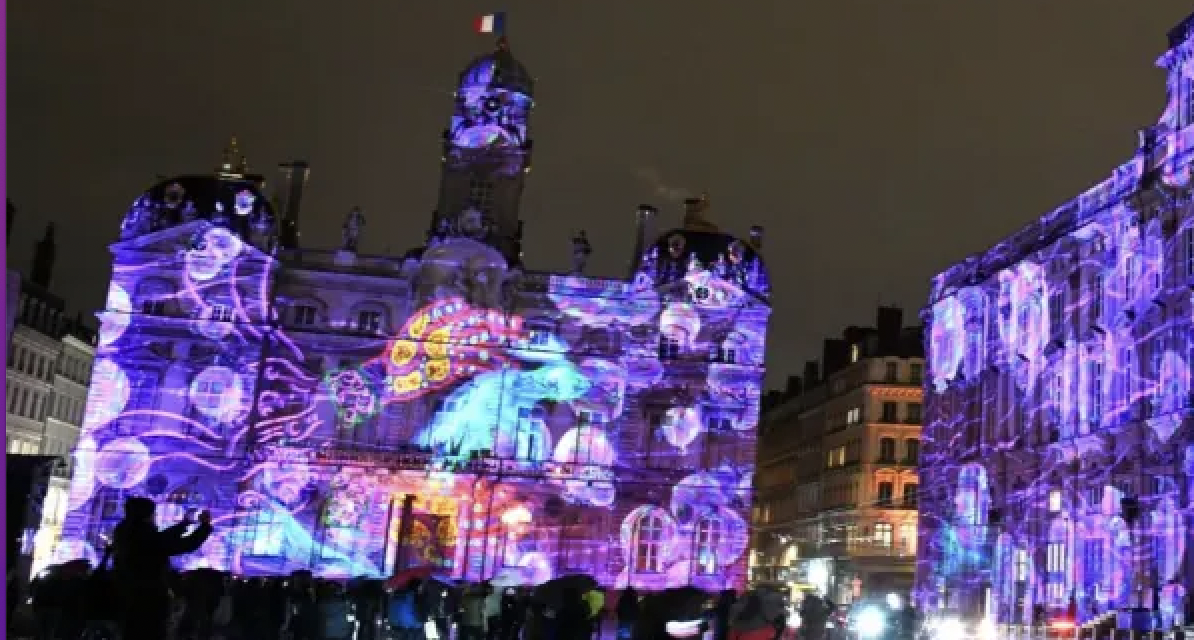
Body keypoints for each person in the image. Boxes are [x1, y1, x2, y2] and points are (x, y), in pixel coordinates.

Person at [111, 497, 214, 640]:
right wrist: (205, 527)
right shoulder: (144, 534)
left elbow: (161, 539)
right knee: (149, 630)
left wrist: (184, 524)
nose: (155, 516)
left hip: (127, 591)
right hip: (148, 594)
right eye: (153, 513)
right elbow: (184, 544)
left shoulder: (125, 531)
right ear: (147, 515)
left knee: (131, 630)